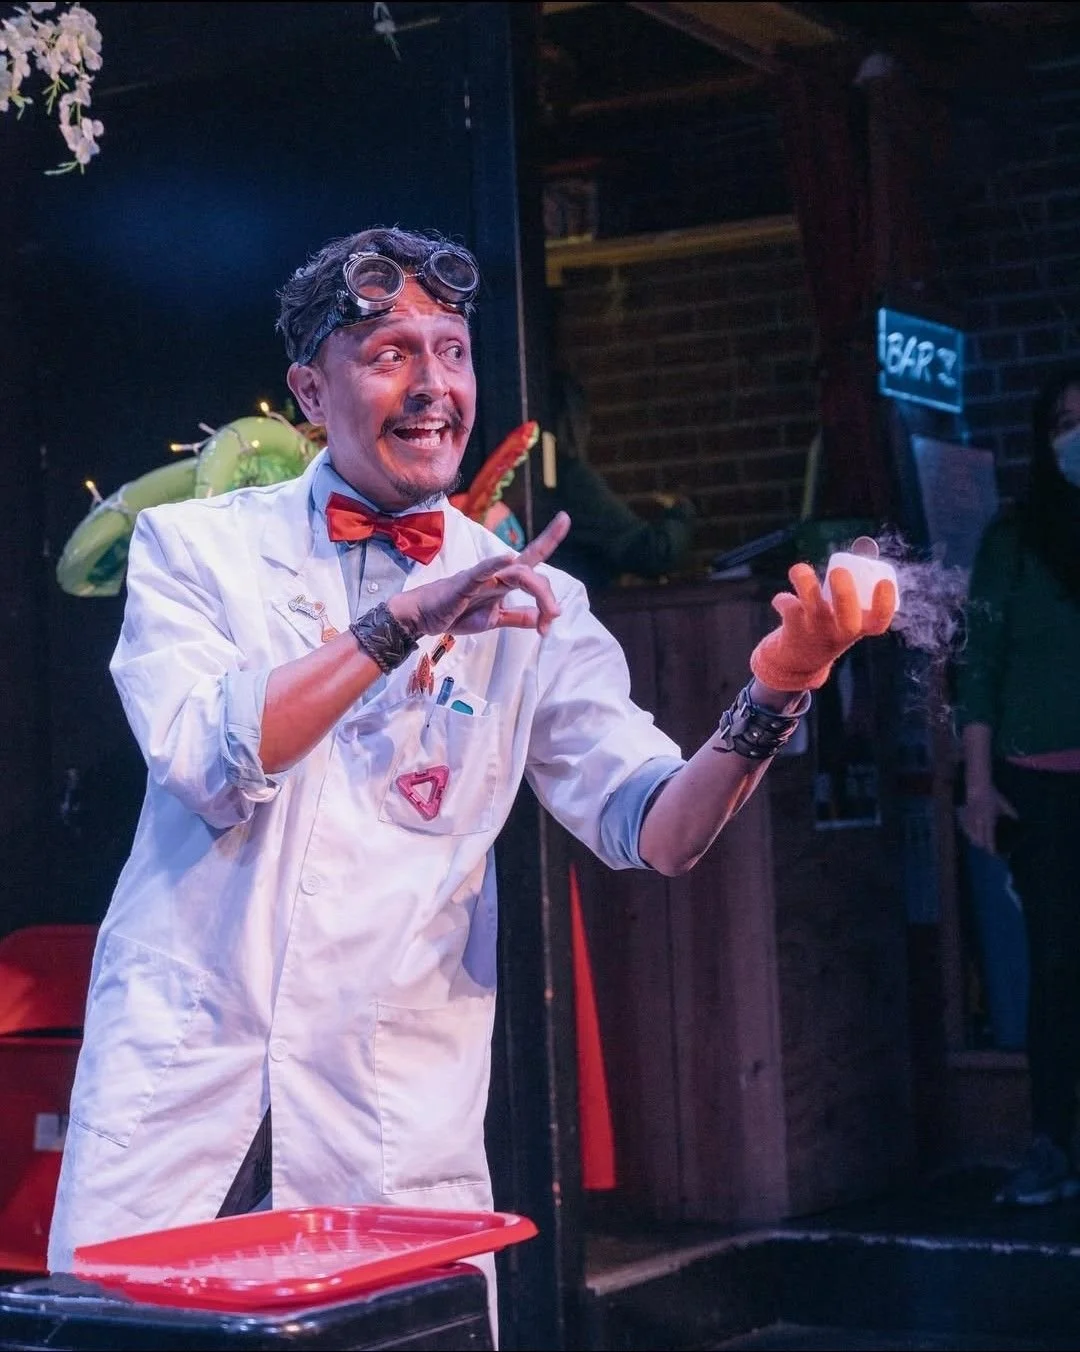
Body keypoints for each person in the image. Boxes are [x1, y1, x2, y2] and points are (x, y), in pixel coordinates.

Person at [47, 227, 896, 1330]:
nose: (432, 385)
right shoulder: (195, 550)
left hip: (383, 1122)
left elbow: (656, 828)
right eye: (389, 353)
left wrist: (777, 690)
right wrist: (403, 621)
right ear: (311, 390)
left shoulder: (536, 599)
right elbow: (212, 758)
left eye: (451, 350)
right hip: (186, 1100)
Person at [957, 365, 1080, 1206]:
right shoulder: (1013, 540)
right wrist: (976, 785)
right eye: (1065, 421)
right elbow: (980, 668)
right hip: (1039, 789)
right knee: (1058, 963)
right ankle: (1052, 1143)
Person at [538, 369, 697, 594]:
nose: (589, 429)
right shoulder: (571, 479)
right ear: (571, 421)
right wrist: (681, 510)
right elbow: (654, 553)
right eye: (585, 419)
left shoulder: (552, 478)